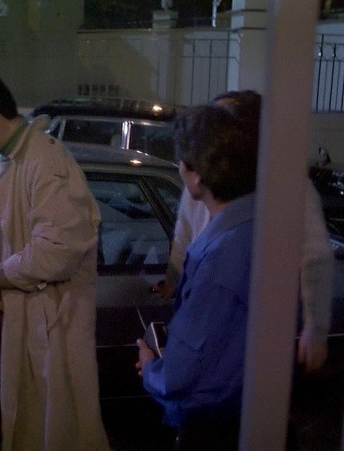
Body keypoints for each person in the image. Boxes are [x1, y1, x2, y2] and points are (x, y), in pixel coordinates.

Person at [0, 59, 110, 451]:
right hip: (13, 321)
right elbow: (9, 228)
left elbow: (57, 250)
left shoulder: (45, 162)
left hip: (48, 322)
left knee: (49, 429)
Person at [159, 90, 334, 373]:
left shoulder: (287, 184)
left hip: (260, 324)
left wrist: (315, 327)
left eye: (223, 120)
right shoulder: (204, 176)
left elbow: (315, 256)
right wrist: (172, 282)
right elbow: (184, 236)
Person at [136, 104, 258, 450]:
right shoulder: (257, 228)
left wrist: (151, 368)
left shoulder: (218, 257)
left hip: (214, 425)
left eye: (182, 162)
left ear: (197, 176)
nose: (179, 168)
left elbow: (179, 376)